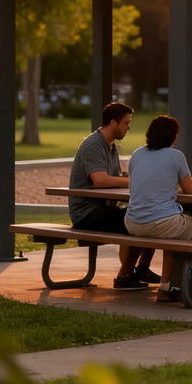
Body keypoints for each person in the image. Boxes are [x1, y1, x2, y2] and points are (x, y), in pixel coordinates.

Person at [67, 101, 156, 290]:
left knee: (152, 214)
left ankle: (141, 269)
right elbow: (100, 180)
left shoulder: (110, 145)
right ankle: (124, 277)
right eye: (126, 123)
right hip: (87, 214)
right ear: (113, 123)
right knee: (142, 219)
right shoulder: (93, 145)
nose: (129, 128)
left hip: (103, 209)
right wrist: (134, 181)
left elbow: (115, 178)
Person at [126, 114, 192, 303]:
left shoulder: (137, 153)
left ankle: (171, 285)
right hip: (160, 223)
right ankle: (190, 283)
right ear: (173, 136)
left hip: (132, 222)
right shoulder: (175, 156)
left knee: (175, 232)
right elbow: (190, 189)